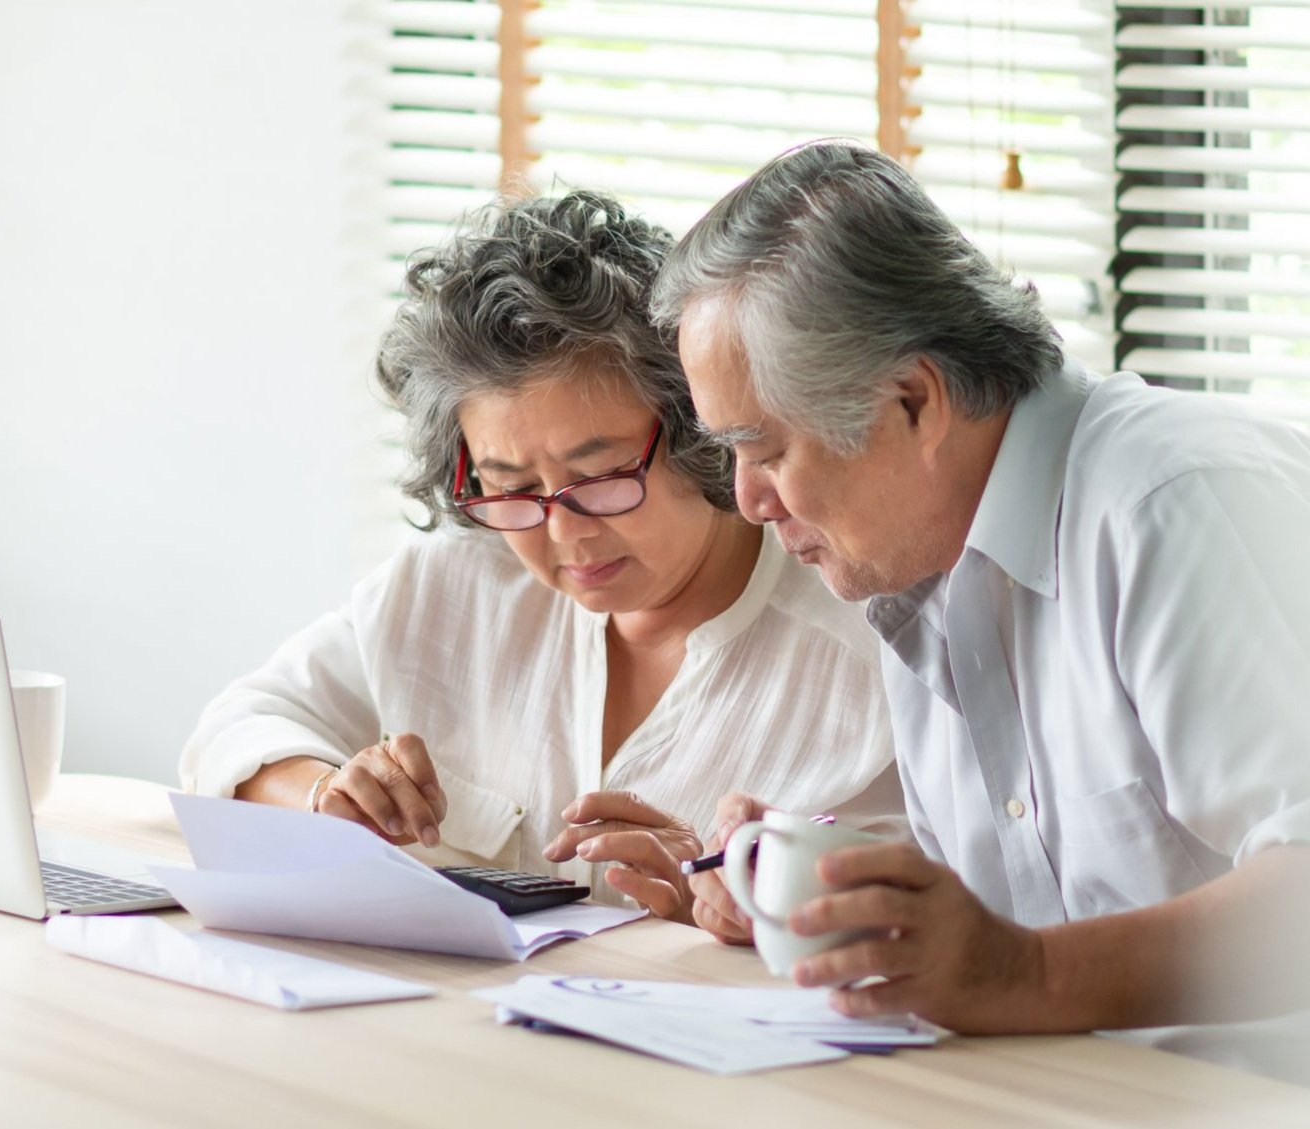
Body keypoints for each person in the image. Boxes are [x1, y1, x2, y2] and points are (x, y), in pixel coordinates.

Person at [654, 140, 1310, 1080]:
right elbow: (1038, 911)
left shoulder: (1173, 502)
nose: (748, 499)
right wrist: (829, 894)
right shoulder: (918, 561)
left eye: (761, 448)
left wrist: (1025, 971)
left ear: (912, 399)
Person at [180, 191, 899, 924]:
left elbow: (924, 921)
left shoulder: (869, 658)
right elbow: (236, 726)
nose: (563, 533)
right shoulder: (455, 583)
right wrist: (324, 794)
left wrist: (745, 903)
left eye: (599, 478)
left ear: (697, 429)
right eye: (513, 486)